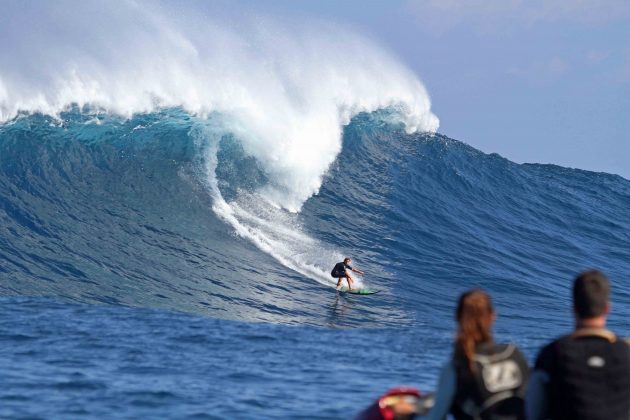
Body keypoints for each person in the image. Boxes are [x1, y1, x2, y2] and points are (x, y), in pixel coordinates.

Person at [526, 270, 630, 420]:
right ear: (607, 308)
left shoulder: (552, 354)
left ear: (573, 308)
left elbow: (533, 414)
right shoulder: (625, 355)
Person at [421, 289, 529, 420]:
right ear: (493, 316)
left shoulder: (457, 367)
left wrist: (408, 413)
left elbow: (436, 417)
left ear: (457, 317)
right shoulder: (514, 354)